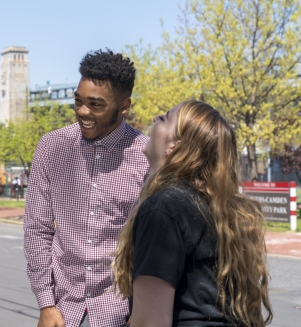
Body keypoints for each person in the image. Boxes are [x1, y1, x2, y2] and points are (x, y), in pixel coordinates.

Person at [113, 100, 273, 327]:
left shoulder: (163, 209)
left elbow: (150, 323)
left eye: (165, 118)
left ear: (174, 146)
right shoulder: (220, 207)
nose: (154, 119)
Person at [24, 49, 150, 327]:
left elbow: (152, 245)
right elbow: (37, 228)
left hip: (120, 313)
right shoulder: (52, 147)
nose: (82, 111)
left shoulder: (146, 156)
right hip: (63, 311)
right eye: (78, 101)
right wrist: (45, 303)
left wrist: (141, 313)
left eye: (95, 104)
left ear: (124, 105)